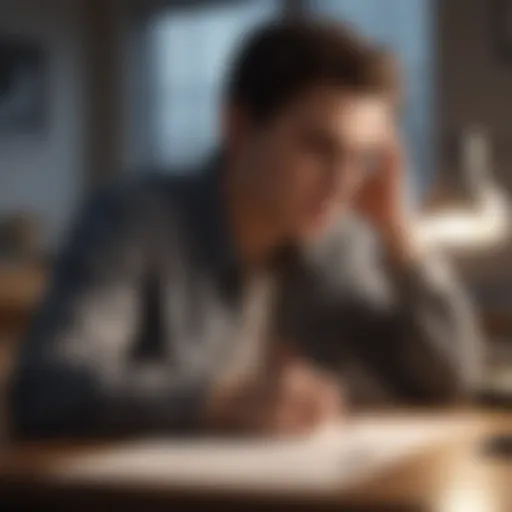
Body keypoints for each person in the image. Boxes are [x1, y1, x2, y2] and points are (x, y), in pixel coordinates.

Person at [9, 19, 482, 439]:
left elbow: (449, 377)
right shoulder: (134, 219)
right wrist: (218, 401)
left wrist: (400, 234)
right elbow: (47, 385)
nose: (342, 184)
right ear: (238, 127)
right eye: (318, 148)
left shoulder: (343, 244)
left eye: (363, 158)